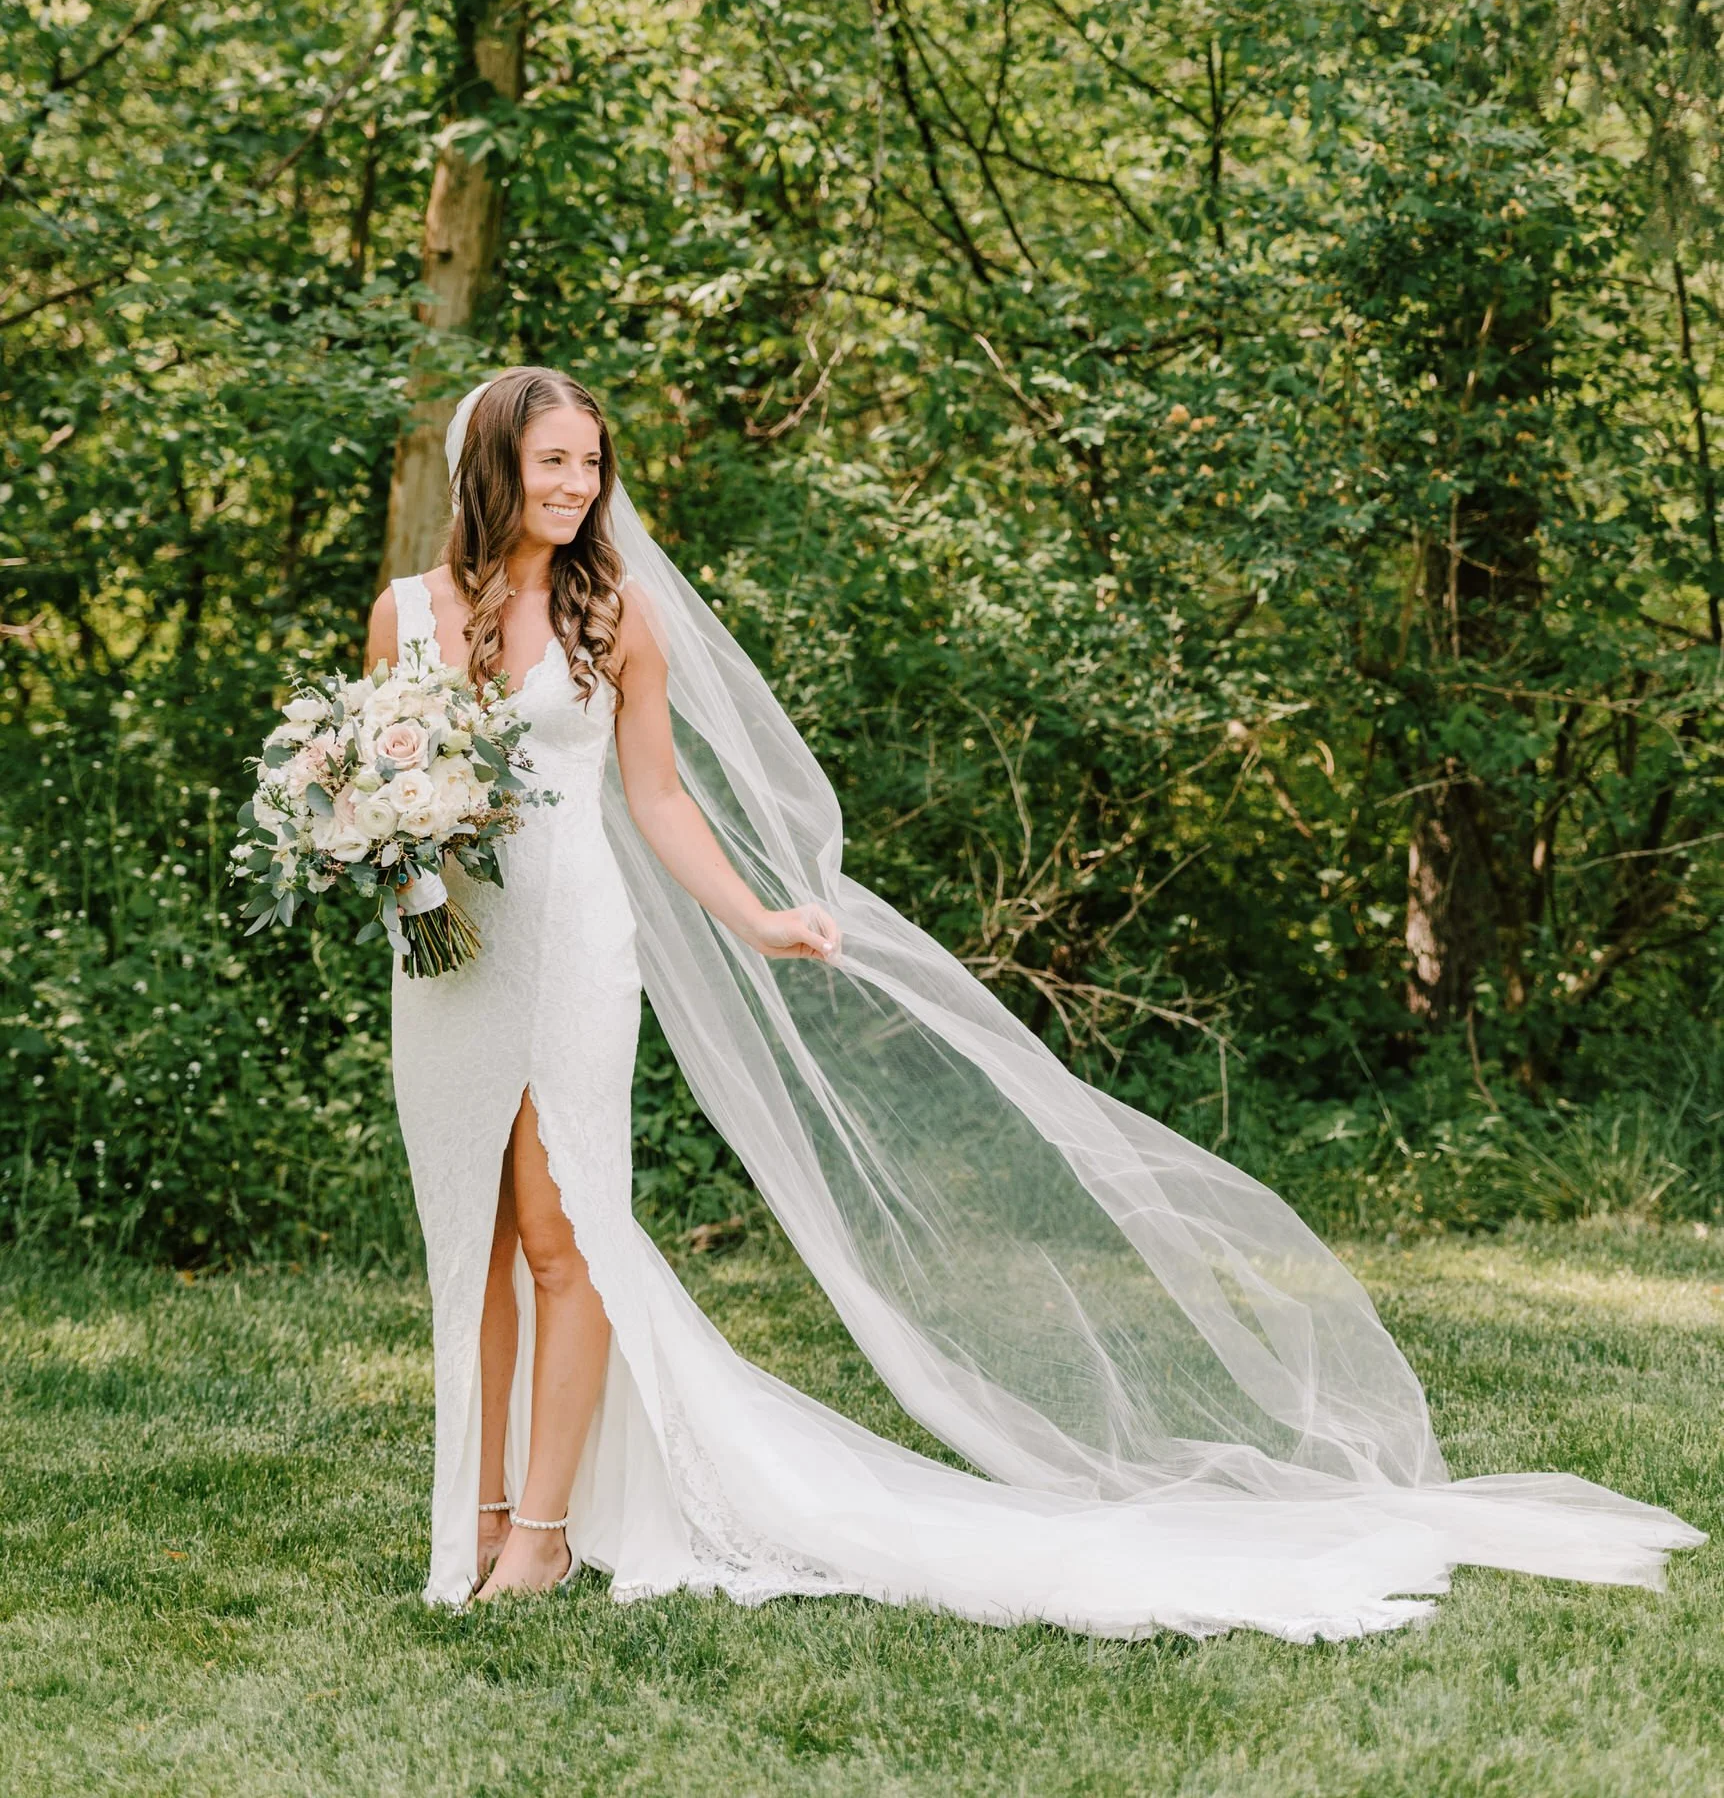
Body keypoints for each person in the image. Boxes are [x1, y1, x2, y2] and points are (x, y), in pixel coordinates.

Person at [369, 365, 1701, 1634]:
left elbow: (656, 798)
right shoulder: (408, 614)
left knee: (569, 1234)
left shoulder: (615, 616)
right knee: (474, 1244)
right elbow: (375, 787)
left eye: (592, 465)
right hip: (451, 960)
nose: (580, 486)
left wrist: (761, 915)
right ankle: (478, 1515)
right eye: (555, 462)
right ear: (494, 466)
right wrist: (378, 849)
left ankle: (543, 1533)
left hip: (581, 949)